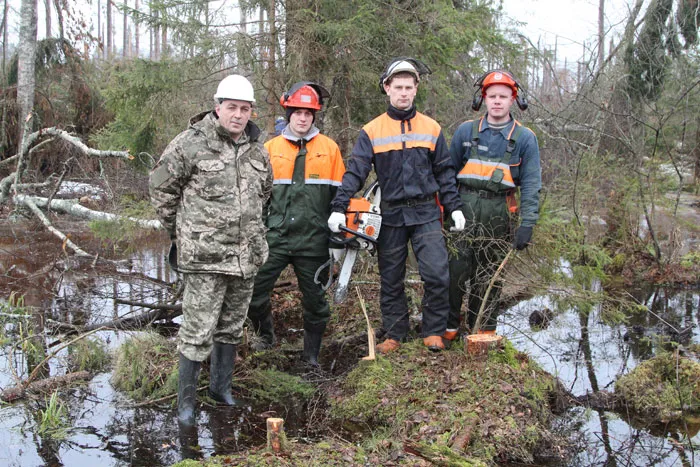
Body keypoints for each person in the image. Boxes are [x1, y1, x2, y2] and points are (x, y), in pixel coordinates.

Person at [149, 74, 272, 426]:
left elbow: (264, 195)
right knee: (196, 332)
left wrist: (251, 235)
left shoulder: (258, 151)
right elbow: (161, 191)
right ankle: (186, 405)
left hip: (244, 258)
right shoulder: (189, 144)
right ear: (217, 108)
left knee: (231, 328)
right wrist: (184, 233)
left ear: (251, 112)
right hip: (203, 260)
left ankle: (221, 390)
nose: (238, 115)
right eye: (231, 107)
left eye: (244, 108)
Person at [328, 58, 465, 354]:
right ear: (387, 88)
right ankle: (394, 332)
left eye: (409, 87)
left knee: (437, 273)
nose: (403, 92)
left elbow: (445, 172)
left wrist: (454, 207)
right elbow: (356, 171)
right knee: (391, 276)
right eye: (398, 87)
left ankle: (433, 331)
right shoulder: (372, 130)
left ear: (416, 89)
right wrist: (340, 206)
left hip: (426, 211)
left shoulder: (431, 128)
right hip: (390, 211)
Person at [246, 82, 345, 367]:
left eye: (308, 113)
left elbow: (341, 195)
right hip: (274, 237)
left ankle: (311, 356)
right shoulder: (268, 149)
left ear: (315, 116)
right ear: (288, 113)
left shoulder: (329, 149)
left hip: (313, 239)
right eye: (297, 112)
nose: (302, 118)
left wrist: (339, 230)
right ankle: (265, 336)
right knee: (253, 291)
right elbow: (256, 197)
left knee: (316, 302)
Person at [445, 70, 541, 342]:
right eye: (492, 96)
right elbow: (447, 175)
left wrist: (527, 224)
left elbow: (532, 184)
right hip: (462, 210)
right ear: (483, 99)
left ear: (513, 100)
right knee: (455, 270)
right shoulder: (466, 131)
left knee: (488, 275)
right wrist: (447, 209)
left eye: (503, 96)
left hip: (499, 212)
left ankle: (483, 331)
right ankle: (449, 326)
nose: (497, 101)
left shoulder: (524, 138)